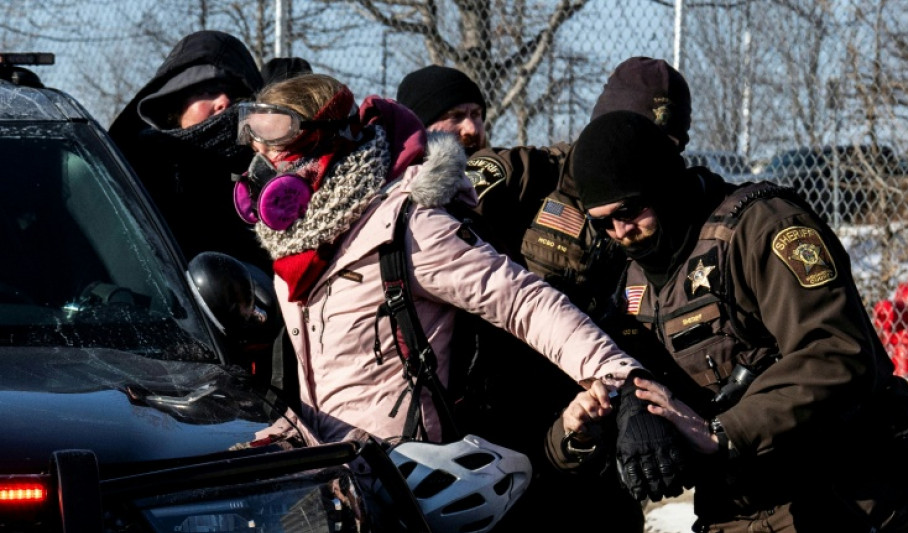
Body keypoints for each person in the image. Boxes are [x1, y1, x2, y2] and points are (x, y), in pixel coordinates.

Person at [231, 73, 690, 529]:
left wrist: (624, 380)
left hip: (408, 493)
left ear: (324, 152)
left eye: (275, 157)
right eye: (259, 158)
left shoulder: (407, 226)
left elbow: (525, 303)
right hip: (336, 490)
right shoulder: (297, 247)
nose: (263, 174)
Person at [553, 109, 908, 532]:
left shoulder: (762, 228)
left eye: (629, 210)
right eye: (602, 221)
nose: (621, 231)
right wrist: (607, 420)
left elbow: (836, 353)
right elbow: (622, 373)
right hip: (738, 503)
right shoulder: (633, 276)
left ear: (662, 183)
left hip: (838, 491)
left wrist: (724, 432)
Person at [109, 30, 271, 272]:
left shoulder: (270, 173)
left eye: (235, 94)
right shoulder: (136, 174)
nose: (223, 102)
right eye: (207, 90)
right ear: (175, 103)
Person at [396, 64, 488, 155]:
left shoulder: (499, 165)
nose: (472, 129)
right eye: (456, 116)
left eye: (475, 114)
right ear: (422, 128)